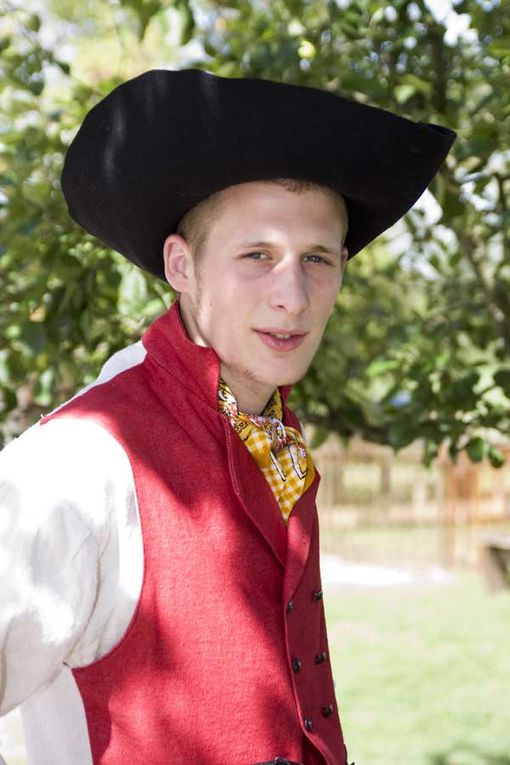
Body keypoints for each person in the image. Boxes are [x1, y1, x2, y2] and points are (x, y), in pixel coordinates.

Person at [0, 68, 456, 765]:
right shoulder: (78, 465)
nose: (294, 298)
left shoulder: (274, 431)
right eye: (257, 255)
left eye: (317, 259)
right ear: (182, 266)